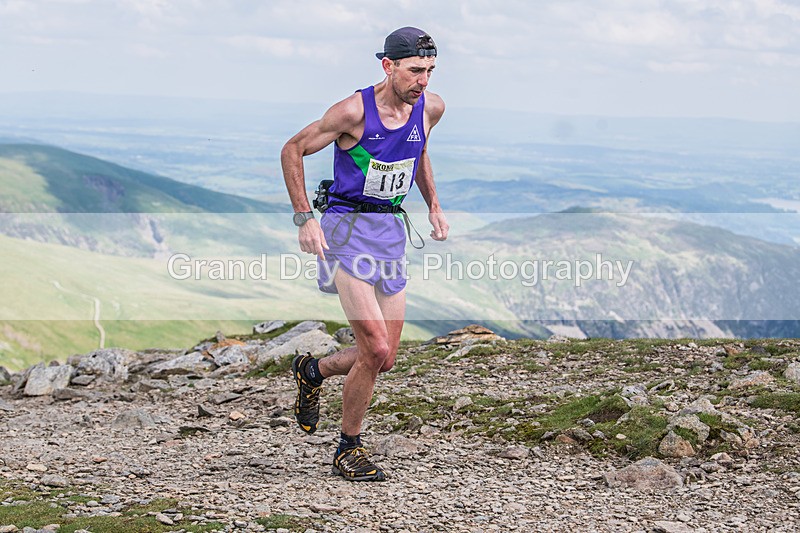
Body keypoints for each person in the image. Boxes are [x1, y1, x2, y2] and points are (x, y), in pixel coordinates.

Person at [280, 26, 448, 481]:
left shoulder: (430, 107)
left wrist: (432, 203)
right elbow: (293, 149)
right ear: (388, 66)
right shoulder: (354, 111)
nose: (423, 81)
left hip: (389, 231)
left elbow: (419, 153)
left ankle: (313, 370)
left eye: (430, 71)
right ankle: (347, 448)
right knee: (372, 346)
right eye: (415, 71)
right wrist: (304, 218)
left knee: (384, 356)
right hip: (345, 231)